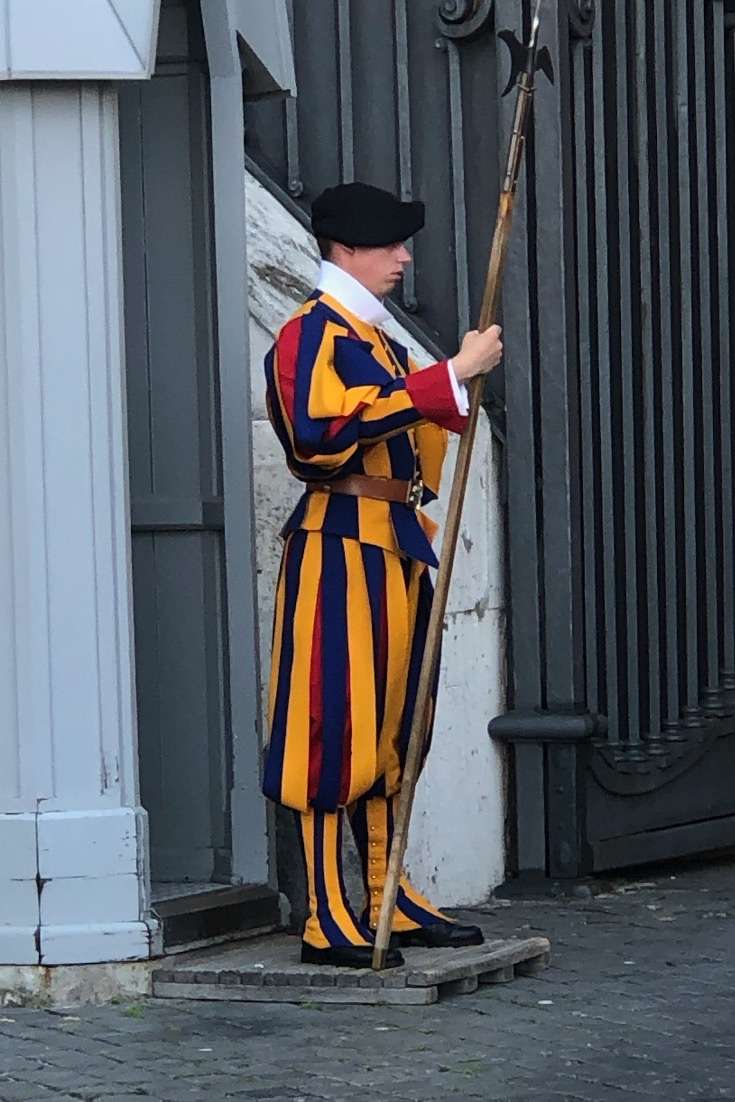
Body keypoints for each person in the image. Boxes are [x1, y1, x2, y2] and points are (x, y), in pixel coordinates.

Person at [262, 181, 503, 968]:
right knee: (332, 722)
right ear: (346, 250)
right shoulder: (310, 335)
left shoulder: (373, 337)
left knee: (399, 724)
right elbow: (318, 438)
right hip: (339, 546)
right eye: (390, 243)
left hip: (394, 541)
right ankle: (327, 915)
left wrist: (449, 388)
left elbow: (411, 424)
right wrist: (442, 380)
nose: (403, 256)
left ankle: (384, 891)